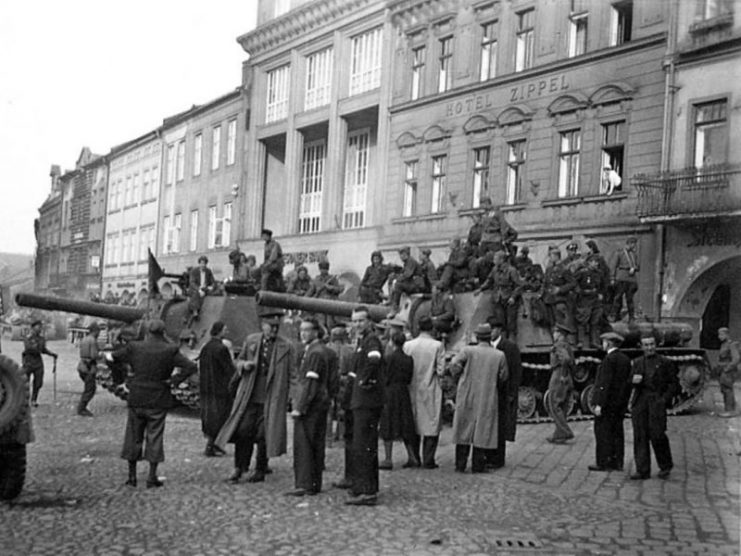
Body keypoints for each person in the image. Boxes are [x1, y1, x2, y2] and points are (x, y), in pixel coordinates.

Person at [107, 319, 197, 488]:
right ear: (163, 333)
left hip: (137, 397)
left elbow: (112, 357)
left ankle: (132, 477)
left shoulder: (135, 347)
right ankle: (151, 477)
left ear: (147, 332)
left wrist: (122, 377)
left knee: (133, 437)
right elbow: (191, 367)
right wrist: (173, 381)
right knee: (154, 437)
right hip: (158, 398)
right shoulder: (169, 349)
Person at [216, 312, 295, 484]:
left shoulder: (286, 346)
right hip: (250, 396)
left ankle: (260, 468)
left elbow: (293, 375)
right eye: (270, 326)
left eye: (276, 326)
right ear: (263, 325)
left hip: (272, 397)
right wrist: (244, 365)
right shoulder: (252, 340)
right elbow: (238, 360)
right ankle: (239, 467)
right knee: (243, 431)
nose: (274, 329)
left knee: (264, 435)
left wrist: (292, 399)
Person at [449, 323, 508, 473]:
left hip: (467, 394)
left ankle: (460, 464)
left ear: (477, 336)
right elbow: (503, 377)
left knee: (464, 428)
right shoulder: (499, 355)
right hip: (487, 396)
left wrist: (459, 375)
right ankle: (478, 465)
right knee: (483, 430)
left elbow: (454, 366)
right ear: (489, 337)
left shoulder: (467, 351)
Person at [286, 318, 336, 496]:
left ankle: (304, 483)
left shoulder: (314, 353)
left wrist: (299, 406)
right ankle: (314, 483)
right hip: (321, 404)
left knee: (304, 445)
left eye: (307, 330)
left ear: (316, 331)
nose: (303, 333)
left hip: (310, 406)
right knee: (316, 444)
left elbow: (310, 382)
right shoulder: (324, 351)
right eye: (301, 330)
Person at [345, 306, 385, 506]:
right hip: (361, 401)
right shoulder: (363, 341)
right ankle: (364, 487)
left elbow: (374, 360)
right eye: (354, 321)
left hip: (367, 401)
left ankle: (367, 492)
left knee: (364, 445)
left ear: (369, 321)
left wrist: (364, 381)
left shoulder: (371, 340)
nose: (357, 325)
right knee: (362, 445)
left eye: (360, 321)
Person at [629, 335, 680, 480]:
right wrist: (633, 381)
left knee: (657, 435)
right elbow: (629, 381)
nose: (649, 347)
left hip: (656, 401)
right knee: (640, 436)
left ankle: (665, 465)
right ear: (642, 346)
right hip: (640, 402)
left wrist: (663, 400)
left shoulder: (665, 363)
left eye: (652, 344)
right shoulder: (637, 362)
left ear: (656, 345)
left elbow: (673, 384)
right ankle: (642, 470)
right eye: (646, 345)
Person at [403, 315, 445, 469]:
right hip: (431, 387)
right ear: (432, 328)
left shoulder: (408, 345)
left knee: (413, 423)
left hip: (412, 387)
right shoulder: (437, 345)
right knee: (431, 424)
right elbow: (441, 370)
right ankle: (429, 459)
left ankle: (413, 457)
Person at [588, 332, 632, 472]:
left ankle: (603, 461)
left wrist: (599, 404)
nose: (603, 344)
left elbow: (604, 384)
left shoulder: (608, 360)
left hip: (607, 404)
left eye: (604, 341)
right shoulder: (625, 359)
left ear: (609, 343)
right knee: (617, 432)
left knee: (603, 432)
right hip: (619, 403)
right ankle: (617, 462)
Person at [485, 317, 522, 469]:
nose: (491, 332)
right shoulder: (485, 346)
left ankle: (498, 459)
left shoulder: (509, 347)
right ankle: (487, 455)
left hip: (503, 392)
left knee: (500, 427)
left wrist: (512, 393)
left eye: (493, 329)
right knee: (487, 425)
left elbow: (516, 372)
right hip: (488, 393)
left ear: (499, 330)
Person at [379, 331, 417, 470]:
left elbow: (385, 376)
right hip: (403, 392)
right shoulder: (409, 359)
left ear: (392, 342)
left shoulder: (388, 358)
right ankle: (412, 456)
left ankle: (388, 459)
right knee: (406, 424)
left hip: (390, 392)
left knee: (387, 424)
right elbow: (409, 377)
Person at [198, 321, 235, 457]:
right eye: (224, 329)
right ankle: (212, 446)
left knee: (210, 417)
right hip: (220, 388)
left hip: (206, 387)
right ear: (219, 331)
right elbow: (229, 369)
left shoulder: (206, 347)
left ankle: (213, 444)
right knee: (220, 416)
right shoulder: (221, 348)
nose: (226, 331)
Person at [329, 324, 357, 490]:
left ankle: (329, 439)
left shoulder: (329, 348)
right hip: (346, 383)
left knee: (329, 413)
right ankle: (340, 435)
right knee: (342, 413)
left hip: (332, 382)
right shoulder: (350, 350)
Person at [476, 251, 523, 341]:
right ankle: (502, 341)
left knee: (511, 323)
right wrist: (481, 289)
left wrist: (513, 297)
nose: (494, 260)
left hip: (509, 299)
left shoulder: (511, 270)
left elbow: (519, 285)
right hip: (498, 298)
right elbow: (489, 280)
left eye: (496, 258)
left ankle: (512, 343)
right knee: (500, 323)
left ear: (502, 260)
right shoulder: (495, 269)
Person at [544, 323, 575, 444]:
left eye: (555, 332)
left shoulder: (559, 345)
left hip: (559, 375)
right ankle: (559, 434)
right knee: (562, 405)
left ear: (560, 334)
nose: (554, 334)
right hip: (565, 376)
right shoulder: (567, 345)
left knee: (554, 404)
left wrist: (563, 374)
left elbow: (566, 359)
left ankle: (565, 431)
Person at [541, 246, 576, 343]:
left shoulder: (564, 269)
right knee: (552, 322)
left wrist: (560, 289)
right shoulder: (549, 269)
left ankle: (562, 341)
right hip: (549, 299)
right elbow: (545, 283)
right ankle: (554, 340)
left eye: (551, 256)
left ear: (556, 256)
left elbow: (572, 283)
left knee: (560, 322)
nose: (550, 258)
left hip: (560, 299)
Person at [574, 255, 607, 349]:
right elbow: (573, 282)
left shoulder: (599, 273)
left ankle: (594, 341)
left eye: (597, 262)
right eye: (594, 261)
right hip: (584, 299)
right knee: (582, 320)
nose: (596, 264)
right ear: (589, 262)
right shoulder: (582, 272)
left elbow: (603, 285)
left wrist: (601, 293)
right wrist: (580, 291)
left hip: (595, 299)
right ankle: (580, 341)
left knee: (595, 321)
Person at [22, 319, 57, 407]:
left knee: (38, 382)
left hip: (38, 362)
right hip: (28, 362)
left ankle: (34, 400)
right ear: (33, 327)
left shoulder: (42, 338)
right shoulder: (28, 337)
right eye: (38, 327)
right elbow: (28, 348)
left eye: (41, 327)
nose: (40, 329)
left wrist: (52, 354)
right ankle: (24, 400)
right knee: (25, 382)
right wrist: (37, 348)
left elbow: (43, 349)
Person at [388, 246, 427, 315]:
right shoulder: (407, 262)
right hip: (413, 284)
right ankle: (391, 300)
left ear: (407, 254)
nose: (401, 256)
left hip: (417, 285)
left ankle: (395, 307)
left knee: (398, 285)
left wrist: (397, 279)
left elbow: (407, 275)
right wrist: (396, 268)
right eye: (400, 254)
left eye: (402, 254)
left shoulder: (410, 261)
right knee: (394, 280)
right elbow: (403, 271)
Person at [611, 236, 639, 322]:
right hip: (621, 277)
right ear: (628, 243)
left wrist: (634, 268)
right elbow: (614, 266)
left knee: (629, 299)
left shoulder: (634, 255)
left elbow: (638, 266)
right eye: (632, 243)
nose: (634, 245)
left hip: (631, 279)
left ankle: (631, 317)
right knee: (618, 298)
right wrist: (612, 278)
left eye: (634, 243)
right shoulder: (620, 253)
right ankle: (614, 316)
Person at [76, 323, 102, 417]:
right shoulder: (93, 340)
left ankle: (82, 407)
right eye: (98, 331)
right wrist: (101, 355)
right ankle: (81, 408)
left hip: (82, 366)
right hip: (89, 368)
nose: (99, 334)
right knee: (90, 389)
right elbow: (93, 355)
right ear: (95, 331)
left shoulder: (85, 339)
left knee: (88, 387)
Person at [716, 327, 739, 416]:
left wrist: (727, 368)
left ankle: (730, 410)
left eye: (721, 334)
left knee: (727, 389)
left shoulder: (732, 345)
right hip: (723, 370)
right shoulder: (723, 345)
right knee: (724, 389)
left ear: (727, 335)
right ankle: (728, 409)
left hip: (728, 371)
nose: (719, 336)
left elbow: (736, 358)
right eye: (719, 334)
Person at [187, 256, 215, 323]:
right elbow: (192, 282)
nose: (203, 265)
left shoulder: (208, 271)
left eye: (204, 263)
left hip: (205, 288)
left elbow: (213, 281)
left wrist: (211, 287)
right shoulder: (194, 271)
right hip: (195, 288)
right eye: (201, 263)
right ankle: (195, 312)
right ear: (199, 263)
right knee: (196, 294)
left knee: (214, 293)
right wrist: (199, 289)